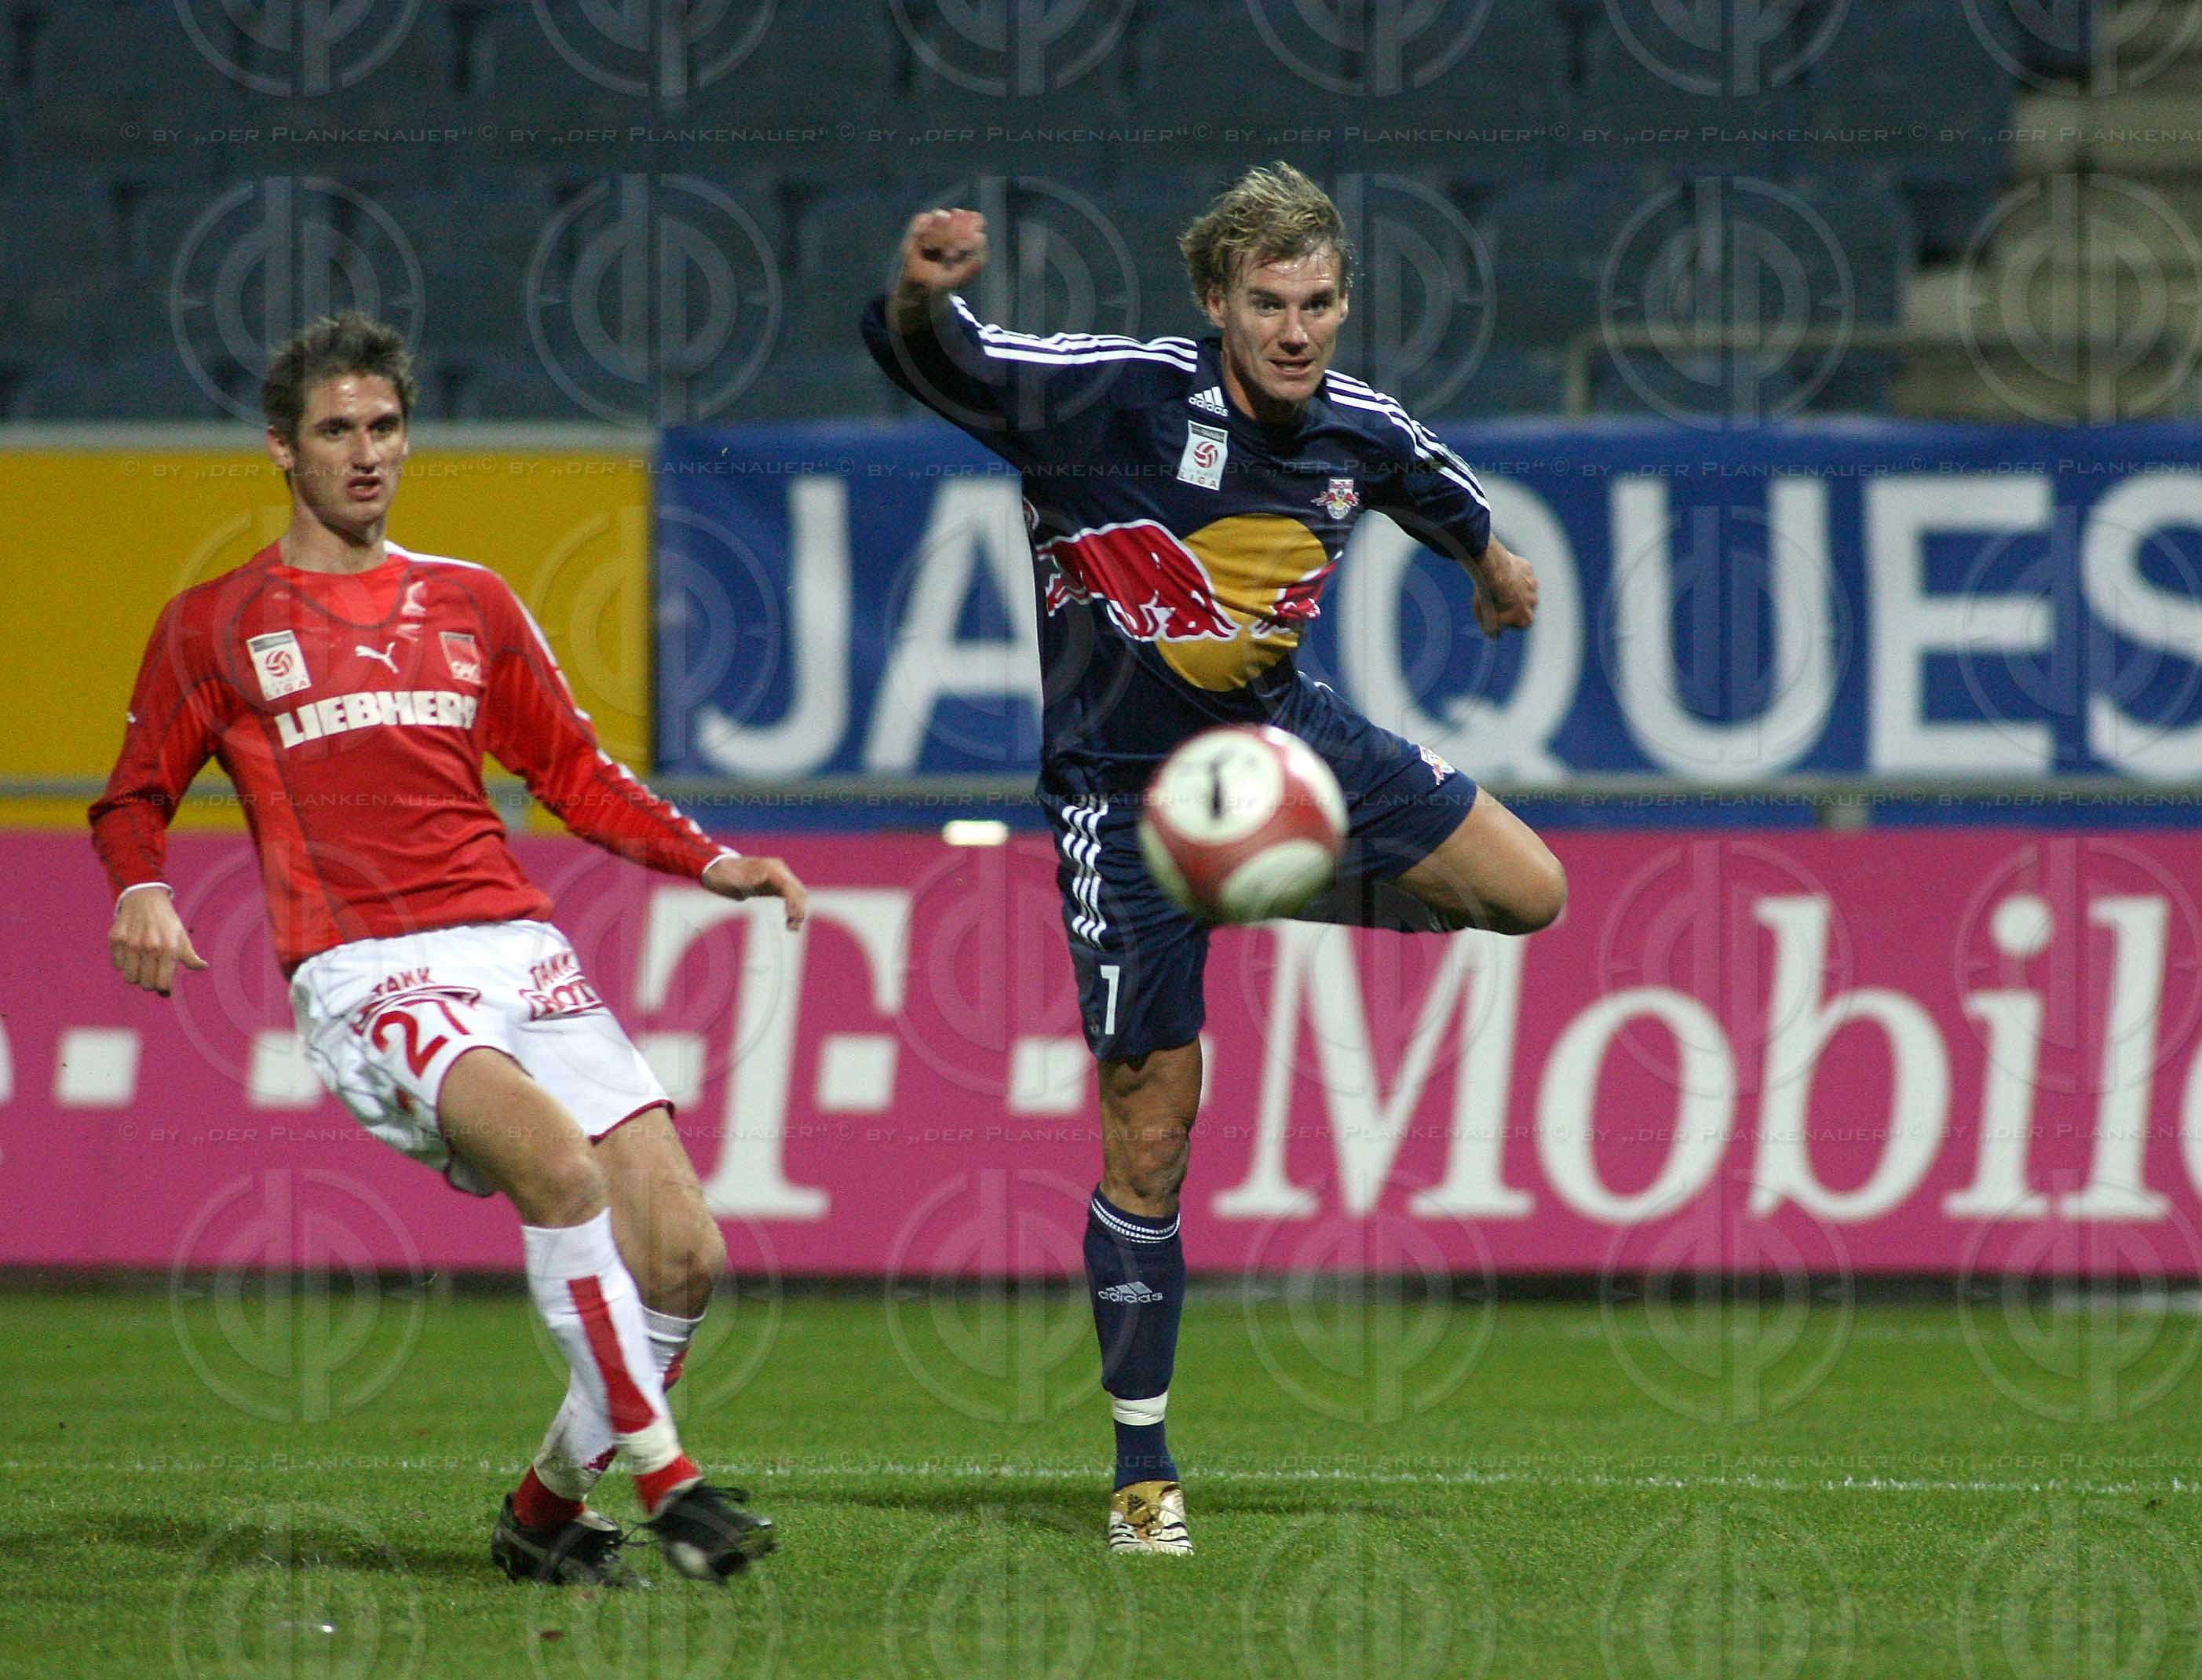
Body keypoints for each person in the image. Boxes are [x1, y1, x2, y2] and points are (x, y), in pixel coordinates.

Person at [861, 162, 1566, 1554]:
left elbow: (1433, 481)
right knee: (1151, 1135)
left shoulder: (1351, 429)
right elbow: (931, 347)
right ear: (1214, 304)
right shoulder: (1108, 393)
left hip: (1282, 748)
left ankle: (1258, 872)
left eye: (1317, 304)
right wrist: (921, 288)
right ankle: (1142, 1471)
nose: (1296, 331)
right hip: (1120, 804)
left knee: (1526, 891)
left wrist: (1493, 566)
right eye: (1267, 304)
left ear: (1342, 302)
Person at [89, 311, 795, 1588]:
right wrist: (141, 888)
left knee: (687, 1255)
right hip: (368, 966)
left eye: (385, 428)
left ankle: (541, 1515)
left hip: (518, 947)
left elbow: (574, 771)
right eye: (336, 432)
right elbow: (133, 793)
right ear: (281, 451)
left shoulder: (469, 600)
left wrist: (713, 861)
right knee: (554, 1171)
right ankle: (671, 1480)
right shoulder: (217, 621)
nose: (366, 455)